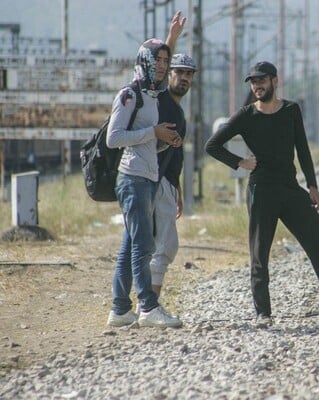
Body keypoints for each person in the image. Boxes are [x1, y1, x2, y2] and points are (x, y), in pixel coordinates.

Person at [205, 61, 319, 327]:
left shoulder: (291, 110)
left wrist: (312, 185)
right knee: (260, 252)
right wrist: (239, 162)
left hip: (288, 187)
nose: (257, 86)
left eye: (261, 81)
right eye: (253, 82)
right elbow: (212, 145)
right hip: (261, 190)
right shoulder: (246, 115)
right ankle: (263, 312)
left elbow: (303, 148)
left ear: (275, 81)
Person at [105, 37, 183, 328]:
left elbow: (146, 139)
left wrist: (165, 141)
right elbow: (114, 138)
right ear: (144, 61)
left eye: (166, 61)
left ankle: (120, 309)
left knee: (129, 245)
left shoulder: (151, 95)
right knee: (143, 245)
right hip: (132, 178)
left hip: (148, 177)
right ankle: (148, 307)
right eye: (157, 61)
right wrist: (153, 132)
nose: (162, 66)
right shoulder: (129, 94)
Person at [149, 53, 196, 298]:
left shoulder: (177, 110)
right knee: (164, 245)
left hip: (163, 182)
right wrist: (173, 36)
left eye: (189, 74)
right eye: (179, 72)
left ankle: (137, 305)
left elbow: (173, 156)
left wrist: (176, 188)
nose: (184, 78)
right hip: (151, 181)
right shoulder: (160, 101)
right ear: (169, 74)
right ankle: (149, 305)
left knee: (152, 245)